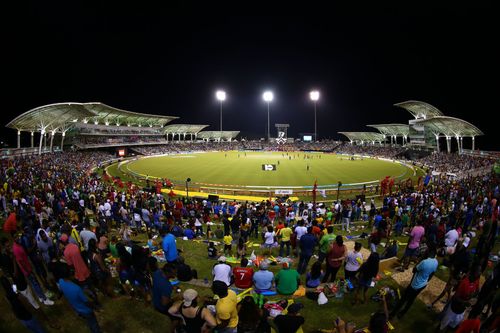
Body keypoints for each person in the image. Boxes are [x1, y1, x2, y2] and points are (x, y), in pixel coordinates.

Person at [390, 250, 438, 319]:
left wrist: (420, 261)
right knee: (411, 300)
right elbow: (432, 273)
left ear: (427, 254)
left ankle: (392, 314)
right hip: (423, 284)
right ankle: (402, 313)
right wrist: (427, 280)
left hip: (415, 284)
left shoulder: (424, 262)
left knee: (403, 299)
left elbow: (414, 270)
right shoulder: (436, 262)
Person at [57, 263, 101, 333]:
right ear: (69, 274)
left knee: (90, 323)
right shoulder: (76, 289)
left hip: (77, 308)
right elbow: (87, 302)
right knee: (94, 324)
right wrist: (95, 308)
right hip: (87, 310)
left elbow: (61, 291)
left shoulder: (60, 281)